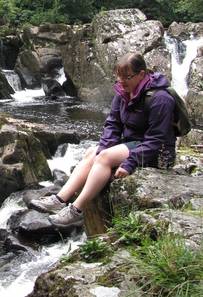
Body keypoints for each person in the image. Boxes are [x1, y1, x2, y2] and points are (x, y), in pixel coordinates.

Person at [28, 52, 177, 229]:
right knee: (93, 152)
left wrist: (130, 163)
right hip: (134, 142)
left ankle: (76, 211)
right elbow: (113, 124)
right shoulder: (124, 93)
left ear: (142, 74)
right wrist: (105, 146)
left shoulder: (160, 98)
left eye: (126, 77)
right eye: (119, 77)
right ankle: (59, 199)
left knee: (105, 157)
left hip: (158, 152)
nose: (121, 81)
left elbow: (156, 139)